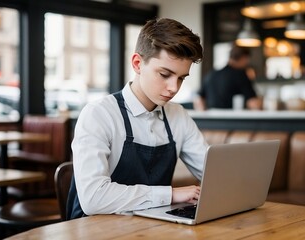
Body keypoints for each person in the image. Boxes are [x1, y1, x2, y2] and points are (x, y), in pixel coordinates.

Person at [67, 18, 208, 220]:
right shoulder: (98, 114)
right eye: (165, 74)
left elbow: (213, 174)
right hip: (93, 228)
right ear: (137, 63)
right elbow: (93, 198)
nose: (174, 88)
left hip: (150, 226)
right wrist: (170, 194)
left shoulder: (178, 116)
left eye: (181, 78)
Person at [194, 44, 262, 110]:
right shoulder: (241, 75)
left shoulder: (212, 74)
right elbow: (253, 104)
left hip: (212, 119)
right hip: (234, 120)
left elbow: (199, 100)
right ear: (244, 58)